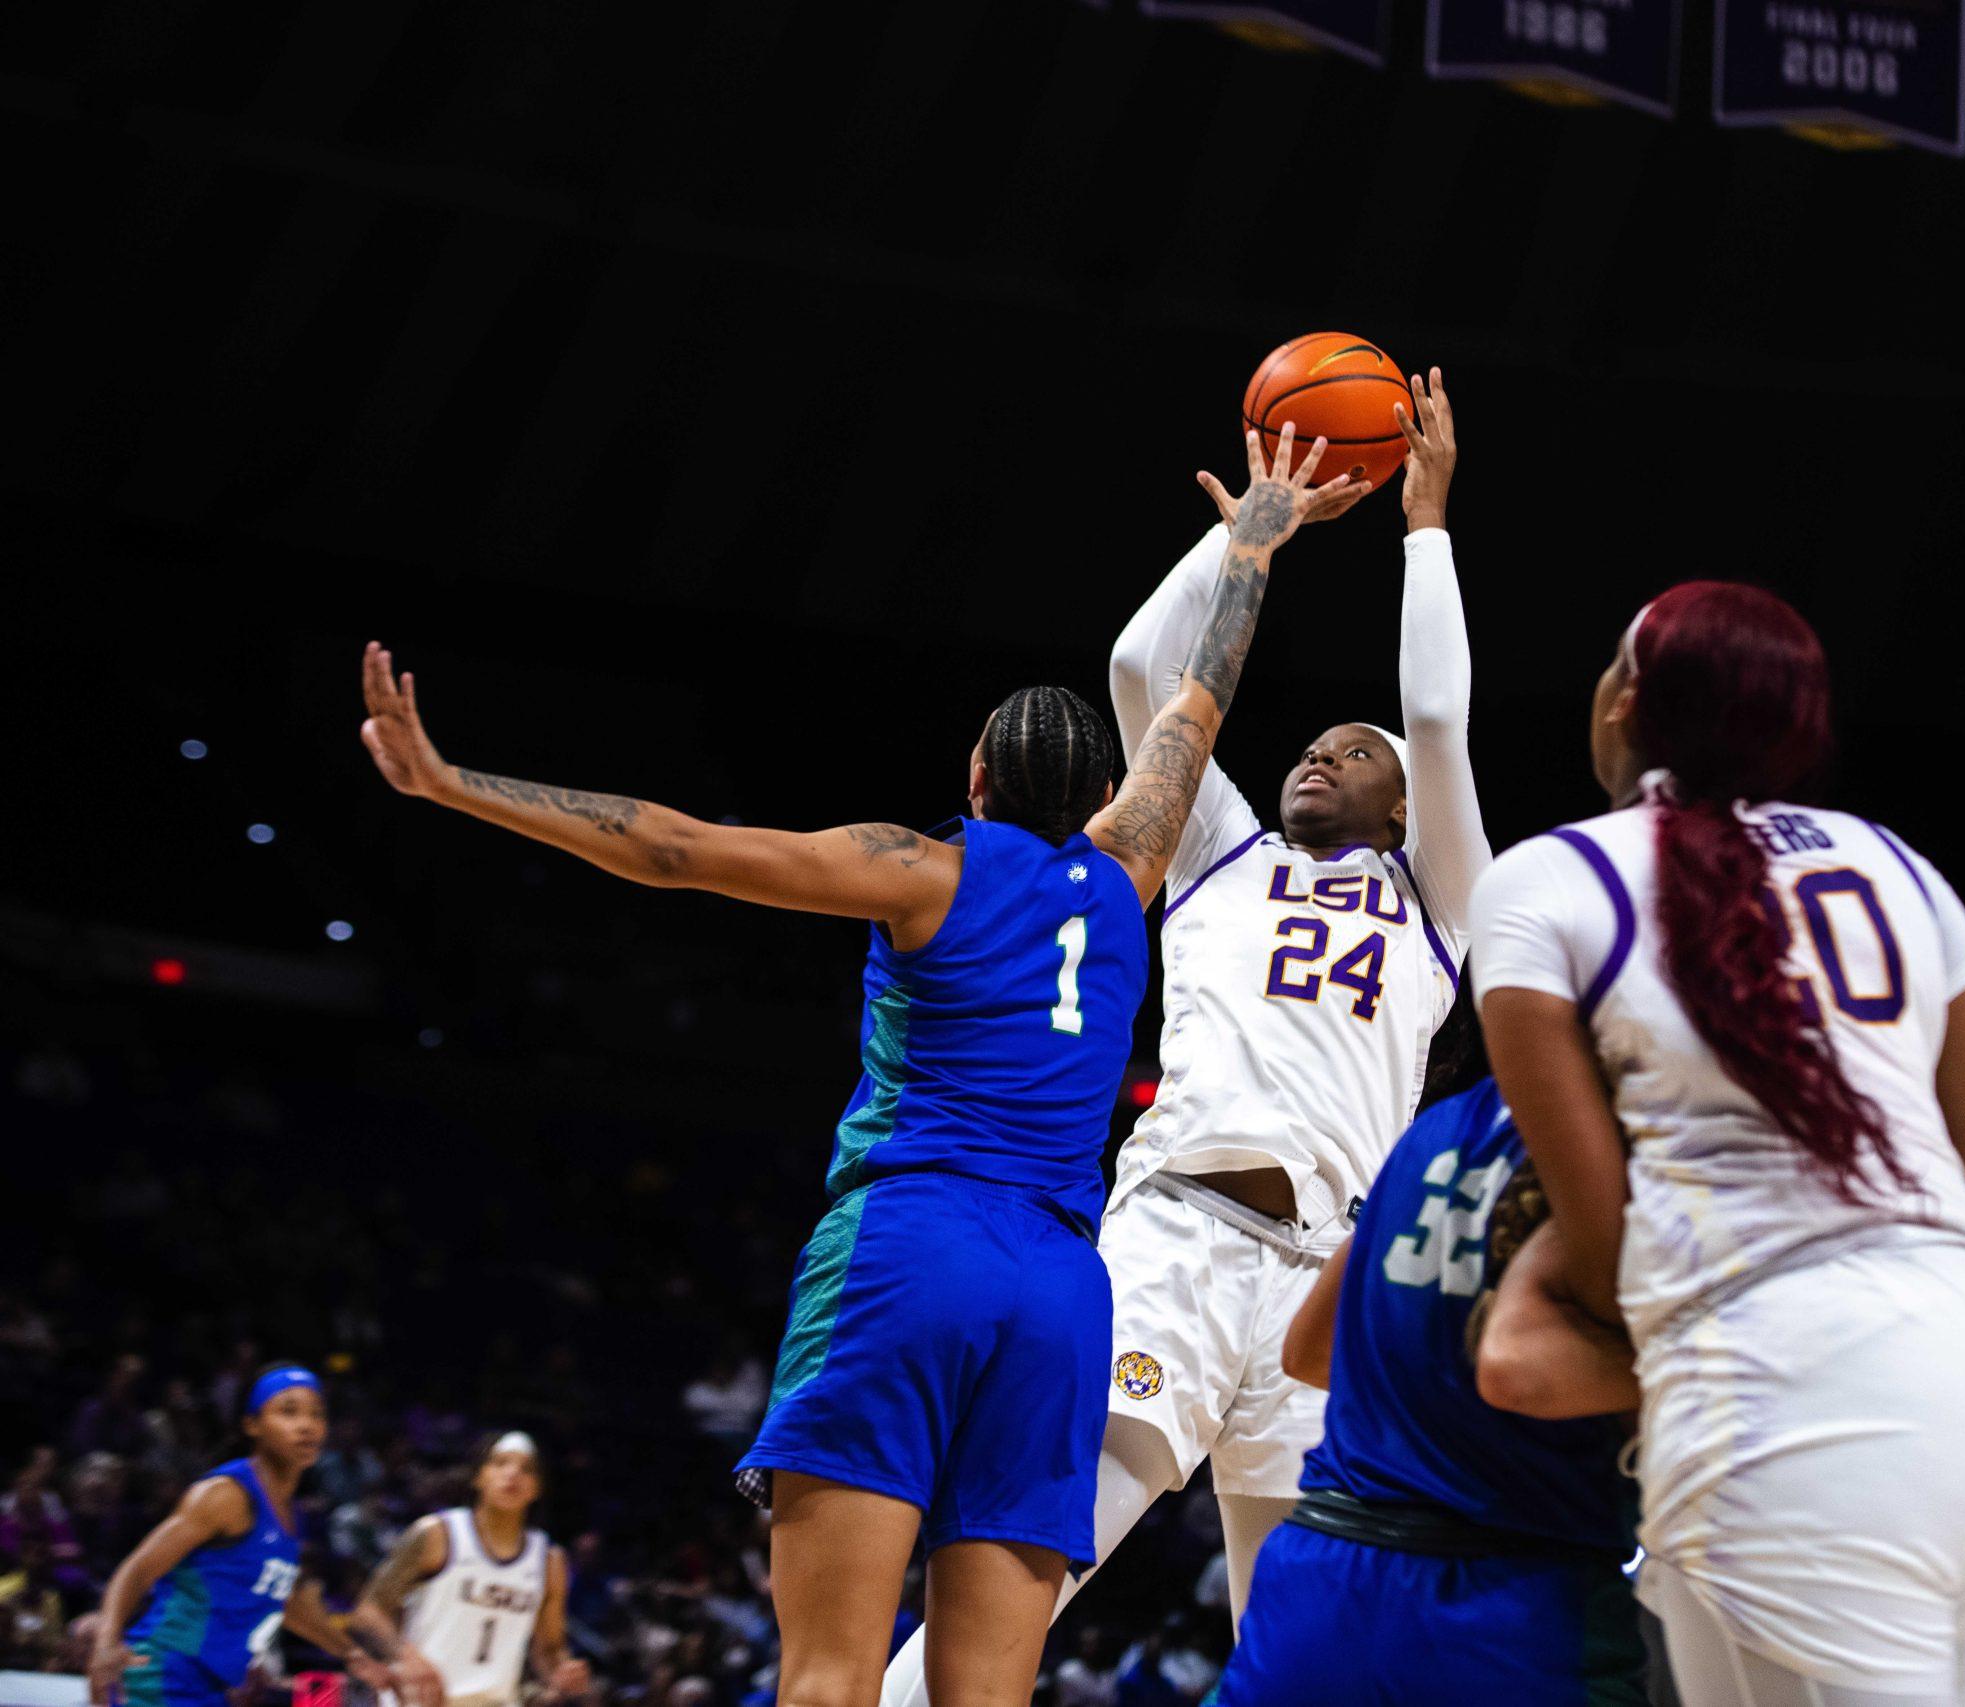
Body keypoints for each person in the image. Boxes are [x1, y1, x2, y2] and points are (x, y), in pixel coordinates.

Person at [359, 426, 1343, 1707]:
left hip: (909, 1245)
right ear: (1101, 789)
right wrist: (1256, 552)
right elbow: (1195, 709)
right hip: (1059, 1289)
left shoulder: (921, 869)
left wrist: (452, 785)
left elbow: (673, 847)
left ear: (975, 778)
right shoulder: (1128, 871)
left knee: (829, 1680)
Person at [882, 370, 1486, 1704]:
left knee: (1303, 1650)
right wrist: (1248, 531)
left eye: (1351, 754)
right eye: (1311, 747)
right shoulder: (1219, 852)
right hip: (1178, 1244)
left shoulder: (1442, 896)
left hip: (1327, 1295)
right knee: (1028, 1572)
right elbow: (1142, 669)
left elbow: (1436, 718)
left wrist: (1424, 523)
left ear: (1402, 807)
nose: (1317, 759)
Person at [1467, 581, 1965, 1707]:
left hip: (1790, 1391)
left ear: (1626, 702)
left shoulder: (1548, 878)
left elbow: (1605, 1259)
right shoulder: (1893, 861)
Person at [1214, 1076, 1646, 1706]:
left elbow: (1307, 1352)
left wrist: (1435, 1387)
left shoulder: (1438, 1125)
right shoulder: (1635, 1136)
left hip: (1318, 1585)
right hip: (1513, 1610)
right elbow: (1515, 1368)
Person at [86, 1366, 412, 1707]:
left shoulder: (291, 1513)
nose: (306, 1425)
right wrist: (107, 1640)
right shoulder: (226, 1495)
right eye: (288, 1411)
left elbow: (288, 1601)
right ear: (252, 1425)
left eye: (316, 1414)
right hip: (162, 1674)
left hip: (210, 1689)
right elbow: (138, 1568)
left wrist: (351, 1654)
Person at [350, 1432, 590, 1707]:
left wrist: (561, 1673)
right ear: (479, 1477)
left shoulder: (549, 1559)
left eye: (526, 1469)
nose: (513, 1473)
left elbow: (549, 1649)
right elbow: (367, 1612)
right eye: (501, 1463)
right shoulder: (437, 1534)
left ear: (537, 1488)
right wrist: (405, 1656)